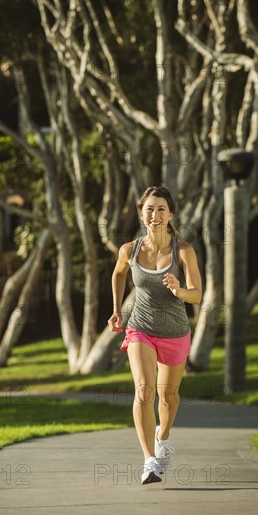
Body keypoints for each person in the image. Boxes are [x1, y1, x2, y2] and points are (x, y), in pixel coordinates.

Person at [108, 186, 202, 484]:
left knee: (168, 396)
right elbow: (119, 273)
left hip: (175, 331)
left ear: (171, 214)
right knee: (144, 390)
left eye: (161, 209)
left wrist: (178, 290)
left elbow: (197, 295)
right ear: (141, 213)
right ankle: (149, 461)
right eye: (149, 209)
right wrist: (117, 310)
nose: (155, 215)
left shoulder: (183, 250)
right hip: (140, 328)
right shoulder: (129, 249)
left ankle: (163, 437)